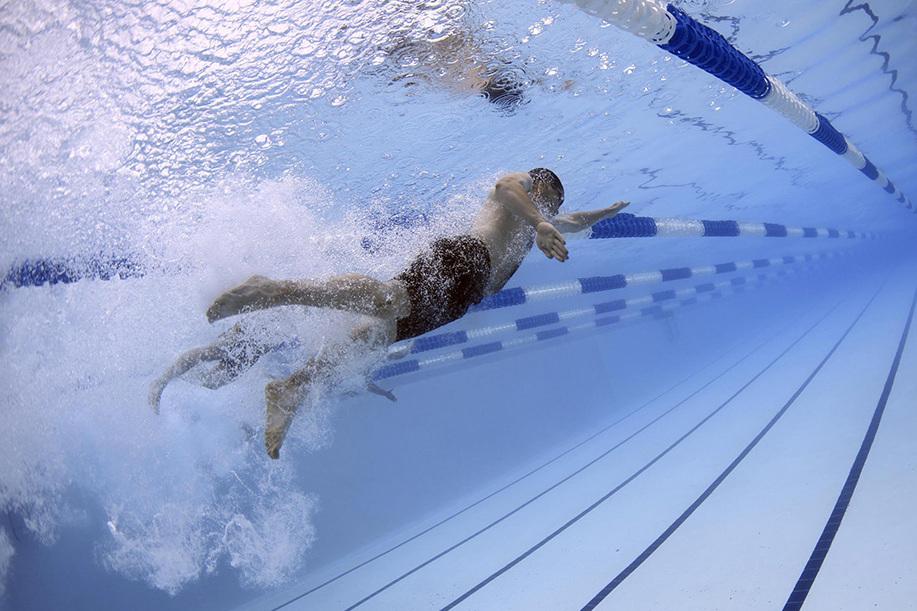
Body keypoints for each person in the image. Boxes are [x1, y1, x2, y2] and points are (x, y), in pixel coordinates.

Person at [150, 169, 629, 459]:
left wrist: (602, 213)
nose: (550, 208)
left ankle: (292, 387)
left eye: (552, 205)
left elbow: (572, 221)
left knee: (371, 337)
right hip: (464, 258)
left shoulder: (539, 224)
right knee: (386, 300)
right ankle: (273, 290)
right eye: (548, 198)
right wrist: (541, 219)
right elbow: (506, 188)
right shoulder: (522, 193)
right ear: (540, 185)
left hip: (461, 299)